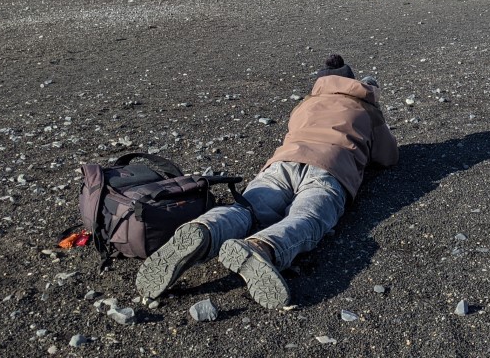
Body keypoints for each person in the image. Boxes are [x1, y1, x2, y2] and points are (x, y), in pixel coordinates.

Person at [135, 55, 399, 308]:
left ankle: (206, 229)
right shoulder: (366, 108)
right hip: (330, 170)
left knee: (247, 209)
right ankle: (263, 247)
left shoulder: (306, 103)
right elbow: (388, 156)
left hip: (282, 164)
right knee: (307, 217)